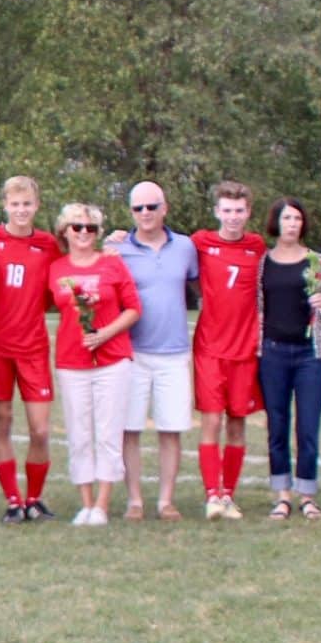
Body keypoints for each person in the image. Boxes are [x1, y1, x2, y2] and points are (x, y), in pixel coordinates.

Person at [43, 203, 142, 526]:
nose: (84, 233)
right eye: (77, 227)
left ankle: (102, 503)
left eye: (91, 228)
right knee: (79, 432)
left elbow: (133, 308)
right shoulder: (55, 268)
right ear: (65, 232)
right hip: (72, 360)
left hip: (112, 359)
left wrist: (104, 334)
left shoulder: (112, 264)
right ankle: (84, 502)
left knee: (108, 432)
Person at [110, 182, 198, 521]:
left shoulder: (186, 248)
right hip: (130, 353)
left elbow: (198, 280)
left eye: (151, 206)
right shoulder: (116, 249)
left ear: (165, 209)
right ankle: (134, 500)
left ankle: (165, 500)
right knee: (129, 429)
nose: (145, 213)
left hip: (174, 353)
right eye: (138, 208)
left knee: (170, 429)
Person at [0, 176, 62, 523]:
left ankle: (35, 498)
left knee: (40, 429)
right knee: (1, 421)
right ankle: (13, 500)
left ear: (36, 206)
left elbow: (67, 275)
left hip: (33, 347)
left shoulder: (47, 245)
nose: (21, 210)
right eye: (15, 204)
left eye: (27, 204)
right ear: (5, 206)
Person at [191, 182, 267, 519]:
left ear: (248, 212)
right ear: (216, 212)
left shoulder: (257, 246)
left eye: (239, 211)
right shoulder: (201, 243)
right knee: (211, 420)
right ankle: (211, 495)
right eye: (227, 210)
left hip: (246, 348)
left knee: (238, 422)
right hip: (210, 347)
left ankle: (228, 495)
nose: (233, 217)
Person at [257, 198, 321, 520]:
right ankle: (282, 495)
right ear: (277, 222)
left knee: (307, 427)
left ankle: (307, 496)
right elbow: (257, 305)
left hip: (310, 355)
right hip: (273, 352)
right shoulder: (264, 262)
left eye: (297, 218)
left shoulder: (316, 262)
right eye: (286, 218)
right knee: (277, 424)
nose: (292, 224)